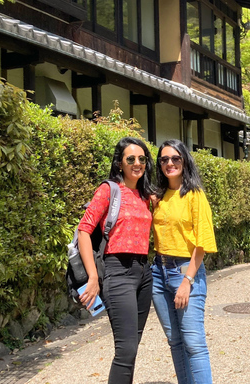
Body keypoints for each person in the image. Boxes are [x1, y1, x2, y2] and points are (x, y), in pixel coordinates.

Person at [76, 137, 156, 384]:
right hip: (117, 272)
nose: (137, 163)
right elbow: (84, 230)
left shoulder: (146, 196)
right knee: (126, 350)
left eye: (142, 159)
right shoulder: (109, 189)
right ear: (120, 163)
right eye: (130, 158)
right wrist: (92, 277)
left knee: (132, 347)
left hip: (144, 273)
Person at [152, 139, 217, 384]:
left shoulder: (194, 195)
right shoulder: (158, 197)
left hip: (185, 271)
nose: (170, 163)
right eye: (164, 159)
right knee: (175, 340)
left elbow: (202, 243)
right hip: (158, 272)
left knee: (193, 342)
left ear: (184, 161)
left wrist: (187, 281)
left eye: (175, 158)